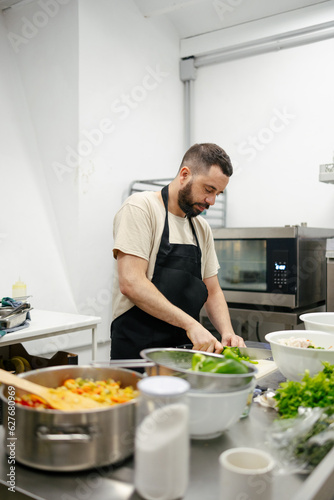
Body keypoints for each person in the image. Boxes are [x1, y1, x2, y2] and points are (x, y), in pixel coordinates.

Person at [110, 142, 245, 361]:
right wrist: (190, 324)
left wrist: (227, 331)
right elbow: (131, 282)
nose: (211, 201)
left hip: (185, 352)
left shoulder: (201, 228)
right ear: (184, 175)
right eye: (209, 189)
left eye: (218, 193)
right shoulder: (141, 208)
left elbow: (212, 291)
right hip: (138, 351)